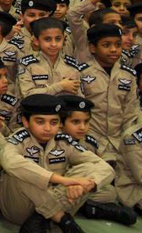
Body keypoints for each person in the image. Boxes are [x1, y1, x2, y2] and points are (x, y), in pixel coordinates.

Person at [0, 94, 114, 232]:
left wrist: (83, 186)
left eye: (54, 122)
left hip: (52, 204)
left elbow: (105, 168)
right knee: (21, 171)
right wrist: (64, 180)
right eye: (40, 122)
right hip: (19, 209)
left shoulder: (63, 141)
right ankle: (61, 218)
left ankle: (45, 218)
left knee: (90, 170)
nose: (48, 128)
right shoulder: (18, 140)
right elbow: (11, 162)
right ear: (26, 122)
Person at [56, 95, 138, 225]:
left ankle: (85, 207)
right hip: (60, 187)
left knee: (111, 192)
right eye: (76, 122)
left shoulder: (90, 143)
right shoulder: (54, 142)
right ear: (61, 123)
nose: (82, 127)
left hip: (82, 188)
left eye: (86, 122)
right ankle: (90, 208)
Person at [78, 23, 140, 160]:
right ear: (93, 48)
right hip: (89, 142)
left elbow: (131, 112)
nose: (113, 49)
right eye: (106, 45)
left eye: (118, 45)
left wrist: (127, 140)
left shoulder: (128, 75)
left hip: (120, 143)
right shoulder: (81, 73)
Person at [17, 18, 82, 97]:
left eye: (58, 39)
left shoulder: (72, 65)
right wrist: (60, 86)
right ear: (36, 41)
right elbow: (27, 95)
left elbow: (79, 97)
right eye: (47, 39)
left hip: (66, 108)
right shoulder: (27, 65)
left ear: (64, 39)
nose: (54, 44)